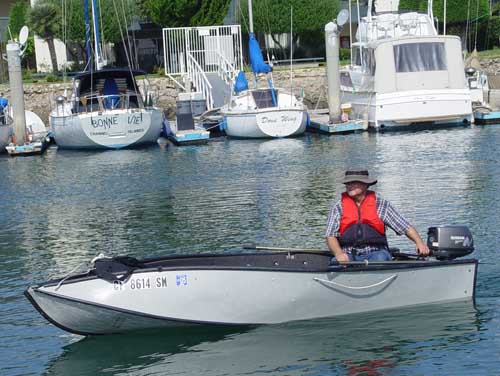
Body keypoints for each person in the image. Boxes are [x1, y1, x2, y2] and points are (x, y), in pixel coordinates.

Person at [325, 169, 430, 262]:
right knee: (335, 262)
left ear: (366, 185)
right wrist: (339, 254)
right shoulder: (338, 207)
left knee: (380, 258)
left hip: (376, 252)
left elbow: (405, 227)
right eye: (348, 183)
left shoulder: (381, 204)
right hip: (348, 254)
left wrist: (419, 243)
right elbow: (330, 235)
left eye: (354, 183)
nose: (350, 186)